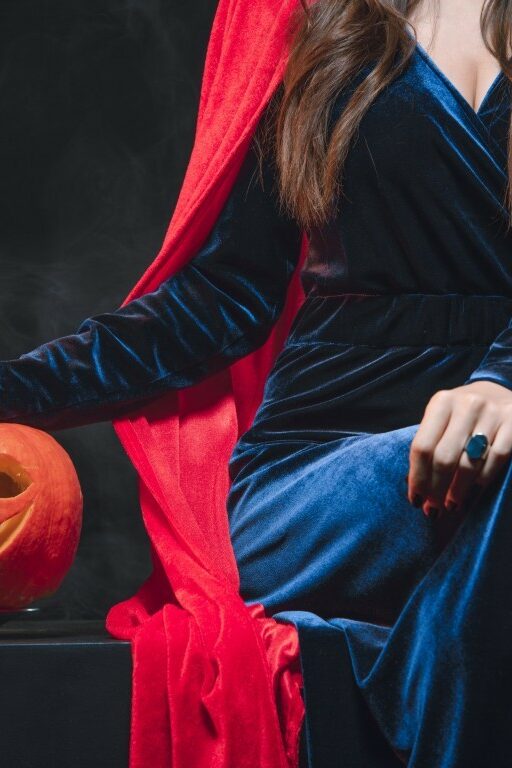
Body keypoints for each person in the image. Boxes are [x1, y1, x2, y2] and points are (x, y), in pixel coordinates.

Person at [3, 0, 512, 764]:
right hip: (315, 480)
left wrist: (503, 379)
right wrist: (15, 389)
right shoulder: (300, 14)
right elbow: (218, 301)